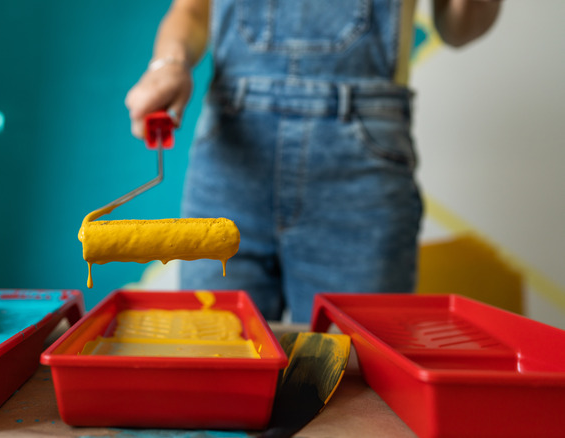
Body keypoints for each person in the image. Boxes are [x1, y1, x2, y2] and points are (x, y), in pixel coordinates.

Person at [125, 0, 501, 322]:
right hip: (232, 160)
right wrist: (168, 65)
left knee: (354, 379)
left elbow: (459, 27)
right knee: (211, 367)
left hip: (360, 174)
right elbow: (192, 9)